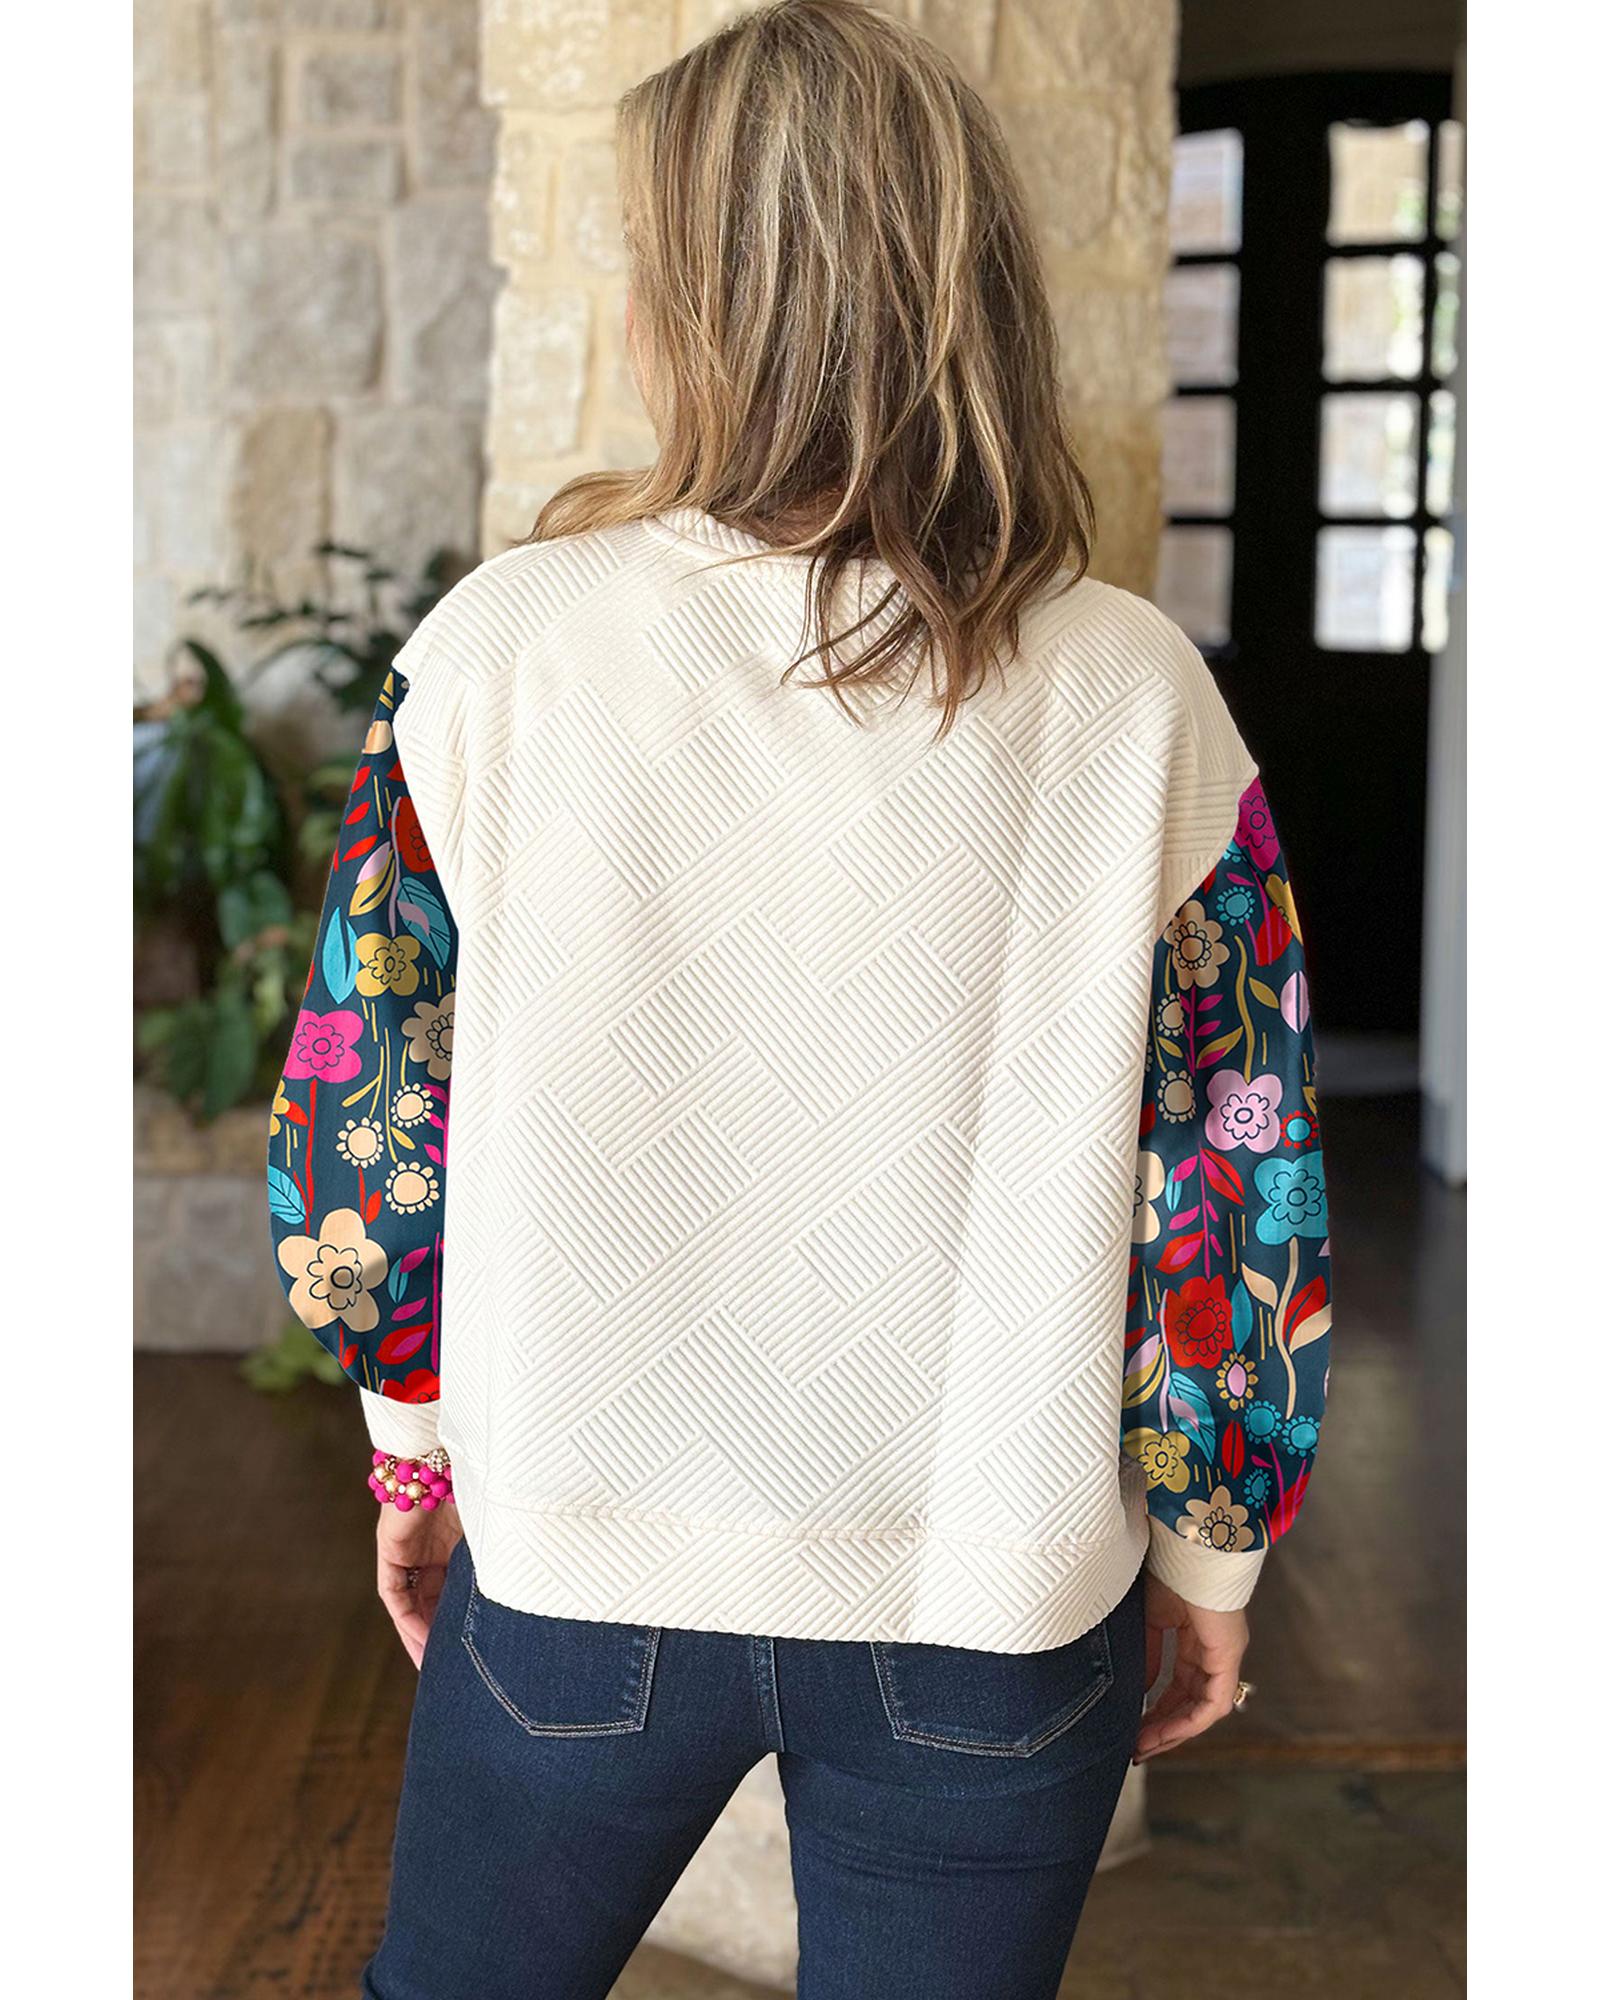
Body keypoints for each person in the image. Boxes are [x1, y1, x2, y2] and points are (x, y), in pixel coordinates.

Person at [266, 4, 1332, 1994]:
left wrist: (414, 1444)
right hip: (994, 1598)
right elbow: (1238, 1164)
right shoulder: (1134, 695)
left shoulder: (496, 656)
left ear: (696, 309)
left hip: (577, 1563)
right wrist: (1213, 1548)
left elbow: (362, 1117)